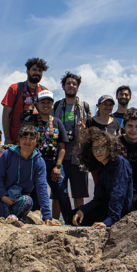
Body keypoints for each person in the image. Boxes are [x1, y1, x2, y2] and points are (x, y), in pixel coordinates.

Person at [0, 125, 58, 226]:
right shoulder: (7, 155)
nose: (27, 141)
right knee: (1, 212)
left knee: (27, 201)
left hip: (19, 198)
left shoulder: (39, 162)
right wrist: (4, 196)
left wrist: (47, 216)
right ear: (19, 139)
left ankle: (12, 217)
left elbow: (42, 188)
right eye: (24, 138)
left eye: (31, 139)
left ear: (36, 141)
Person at [21, 90, 72, 224]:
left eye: (48, 102)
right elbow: (22, 143)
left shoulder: (57, 122)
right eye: (42, 102)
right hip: (33, 167)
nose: (45, 105)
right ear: (37, 104)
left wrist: (58, 166)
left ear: (52, 104)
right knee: (35, 197)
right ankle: (36, 224)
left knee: (62, 195)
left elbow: (62, 147)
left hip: (53, 167)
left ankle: (70, 223)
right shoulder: (29, 120)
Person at [72, 128, 133, 227]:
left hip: (120, 213)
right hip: (105, 209)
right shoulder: (103, 169)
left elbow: (118, 194)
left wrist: (109, 221)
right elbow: (98, 199)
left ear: (109, 147)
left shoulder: (120, 163)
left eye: (101, 147)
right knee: (74, 215)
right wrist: (82, 210)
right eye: (94, 149)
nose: (98, 151)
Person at [52, 71, 92, 212]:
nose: (71, 86)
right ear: (63, 87)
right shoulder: (56, 106)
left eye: (74, 84)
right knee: (57, 194)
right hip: (59, 158)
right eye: (68, 83)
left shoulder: (85, 107)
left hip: (78, 157)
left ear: (78, 88)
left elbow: (90, 132)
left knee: (78, 194)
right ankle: (54, 223)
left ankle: (77, 223)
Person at [1, 58, 49, 144]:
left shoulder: (45, 91)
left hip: (37, 141)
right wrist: (7, 138)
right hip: (16, 140)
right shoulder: (15, 88)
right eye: (34, 70)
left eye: (40, 71)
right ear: (27, 71)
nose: (37, 73)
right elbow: (6, 114)